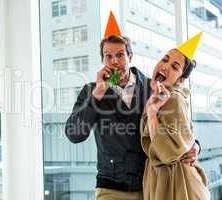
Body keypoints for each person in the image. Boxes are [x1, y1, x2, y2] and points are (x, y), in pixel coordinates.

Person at [65, 11, 201, 200]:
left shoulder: (152, 88)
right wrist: (97, 95)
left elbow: (178, 124)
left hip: (149, 186)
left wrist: (195, 145)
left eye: (120, 55)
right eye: (108, 56)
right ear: (102, 60)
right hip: (110, 188)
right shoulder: (92, 91)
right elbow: (74, 134)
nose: (114, 61)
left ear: (130, 56)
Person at [140, 33, 210, 200]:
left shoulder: (173, 97)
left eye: (175, 67)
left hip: (175, 183)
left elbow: (168, 151)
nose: (165, 66)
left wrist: (151, 114)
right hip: (168, 179)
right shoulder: (161, 93)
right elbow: (184, 136)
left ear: (181, 79)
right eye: (165, 59)